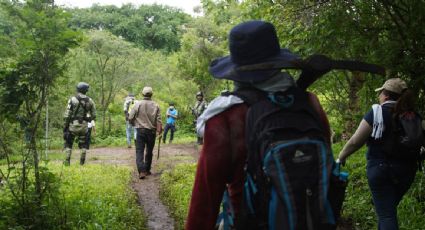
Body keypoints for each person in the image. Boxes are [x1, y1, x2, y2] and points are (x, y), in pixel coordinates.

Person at [186, 21, 331, 230]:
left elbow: (206, 198)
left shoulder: (227, 115)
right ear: (278, 61)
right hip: (307, 219)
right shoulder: (308, 102)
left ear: (236, 70)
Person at [337, 78, 424, 230]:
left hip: (381, 170)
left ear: (386, 96)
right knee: (387, 211)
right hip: (407, 172)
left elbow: (355, 141)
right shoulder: (414, 116)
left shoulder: (377, 112)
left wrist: (341, 157)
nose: (379, 97)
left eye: (381, 93)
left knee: (386, 215)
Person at [128, 87, 162, 179]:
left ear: (143, 94)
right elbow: (159, 120)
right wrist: (159, 131)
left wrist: (133, 123)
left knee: (139, 151)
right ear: (151, 94)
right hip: (152, 132)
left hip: (140, 131)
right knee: (149, 151)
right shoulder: (156, 105)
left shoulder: (137, 104)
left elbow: (130, 117)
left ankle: (142, 171)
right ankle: (147, 170)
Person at [63, 82, 96, 166]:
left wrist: (65, 125)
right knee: (83, 144)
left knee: (69, 143)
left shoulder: (72, 99)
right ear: (86, 90)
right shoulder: (90, 101)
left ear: (78, 89)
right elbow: (94, 115)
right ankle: (82, 162)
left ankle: (67, 161)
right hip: (84, 126)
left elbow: (67, 115)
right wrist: (88, 119)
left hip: (72, 125)